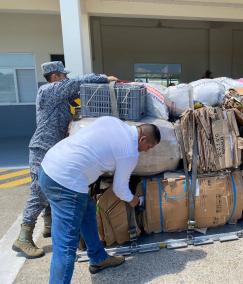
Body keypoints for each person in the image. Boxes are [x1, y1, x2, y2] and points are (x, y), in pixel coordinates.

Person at [12, 61, 118, 259]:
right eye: (63, 76)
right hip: (42, 149)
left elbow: (79, 94)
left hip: (54, 149)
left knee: (51, 187)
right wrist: (103, 78)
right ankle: (24, 237)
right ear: (54, 77)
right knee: (39, 191)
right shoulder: (47, 91)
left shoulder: (60, 96)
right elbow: (76, 83)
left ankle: (48, 225)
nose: (66, 78)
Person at [39, 116, 160, 283]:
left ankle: (98, 258)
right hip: (67, 184)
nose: (146, 150)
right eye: (149, 146)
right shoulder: (130, 152)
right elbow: (120, 189)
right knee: (65, 246)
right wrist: (134, 200)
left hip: (49, 167)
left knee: (88, 211)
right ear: (143, 138)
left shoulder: (112, 121)